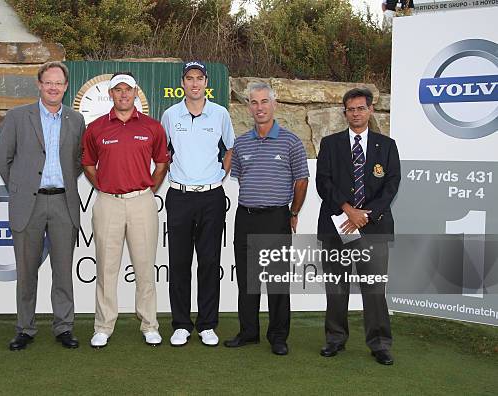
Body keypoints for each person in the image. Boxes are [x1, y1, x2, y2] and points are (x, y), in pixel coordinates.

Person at [0, 61, 86, 351]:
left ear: (65, 87)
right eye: (48, 82)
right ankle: (24, 328)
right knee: (26, 271)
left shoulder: (76, 120)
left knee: (62, 270)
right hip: (28, 204)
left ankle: (64, 327)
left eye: (58, 83)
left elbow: (78, 161)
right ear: (39, 84)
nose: (53, 87)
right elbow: (3, 159)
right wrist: (22, 189)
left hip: (63, 202)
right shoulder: (18, 116)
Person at [82, 72, 169, 348]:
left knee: (144, 267)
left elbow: (161, 163)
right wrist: (105, 187)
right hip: (108, 202)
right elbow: (88, 165)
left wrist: (148, 191)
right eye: (118, 90)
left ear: (135, 94)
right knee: (107, 268)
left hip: (142, 201)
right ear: (111, 94)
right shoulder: (96, 128)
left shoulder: (152, 127)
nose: (123, 95)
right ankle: (103, 326)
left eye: (127, 90)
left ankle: (149, 324)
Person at [316, 87, 401, 365]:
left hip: (373, 228)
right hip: (337, 225)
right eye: (350, 109)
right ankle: (335, 339)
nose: (355, 113)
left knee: (374, 290)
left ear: (370, 110)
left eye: (360, 108)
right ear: (345, 113)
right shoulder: (330, 144)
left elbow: (391, 184)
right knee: (336, 287)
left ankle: (379, 344)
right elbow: (323, 183)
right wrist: (348, 210)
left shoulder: (386, 146)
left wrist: (367, 214)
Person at [224, 82, 309, 356]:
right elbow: (240, 176)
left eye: (264, 102)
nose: (259, 107)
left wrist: (293, 213)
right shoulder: (241, 142)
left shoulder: (291, 141)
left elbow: (301, 182)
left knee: (277, 282)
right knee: (248, 281)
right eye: (253, 102)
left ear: (274, 105)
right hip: (246, 217)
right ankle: (248, 332)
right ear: (248, 107)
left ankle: (278, 336)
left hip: (276, 218)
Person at [160, 61, 235, 347]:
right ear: (182, 83)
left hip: (211, 196)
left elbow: (230, 148)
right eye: (189, 78)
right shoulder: (170, 115)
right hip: (179, 196)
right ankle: (181, 324)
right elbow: (163, 151)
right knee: (179, 263)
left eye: (199, 79)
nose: (194, 84)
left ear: (206, 83)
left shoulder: (220, 114)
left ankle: (207, 324)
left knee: (209, 262)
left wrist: (220, 175)